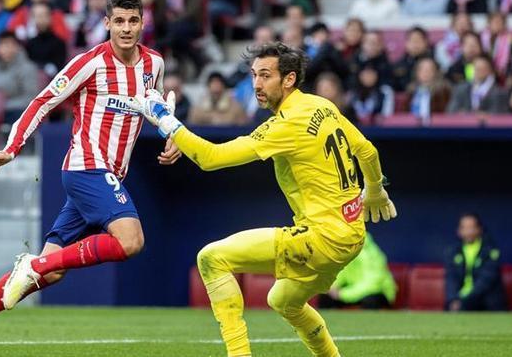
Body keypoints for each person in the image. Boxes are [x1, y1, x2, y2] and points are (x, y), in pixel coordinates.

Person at [0, 0, 179, 357]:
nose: (126, 29)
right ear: (107, 23)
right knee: (131, 240)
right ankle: (34, 264)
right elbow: (43, 101)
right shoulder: (90, 63)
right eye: (119, 21)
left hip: (110, 174)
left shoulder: (154, 64)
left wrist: (171, 133)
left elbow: (154, 105)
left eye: (133, 21)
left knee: (49, 274)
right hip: (86, 167)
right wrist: (12, 147)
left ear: (143, 23)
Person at [131, 41, 396, 357]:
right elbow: (367, 150)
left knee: (211, 259)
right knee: (283, 300)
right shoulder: (321, 106)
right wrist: (376, 189)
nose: (256, 83)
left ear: (289, 80)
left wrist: (165, 120)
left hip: (321, 239)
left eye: (266, 75)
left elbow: (211, 158)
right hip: (352, 236)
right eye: (254, 75)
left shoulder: (287, 124)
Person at [445, 213, 506, 311]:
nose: (468, 232)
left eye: (472, 228)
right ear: (459, 231)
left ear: (479, 229)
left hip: (485, 303)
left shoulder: (490, 250)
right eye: (464, 228)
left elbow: (485, 281)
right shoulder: (453, 252)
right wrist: (453, 299)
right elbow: (451, 279)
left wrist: (463, 300)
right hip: (461, 302)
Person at [322, 232, 396, 309]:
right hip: (352, 290)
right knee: (326, 297)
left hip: (378, 292)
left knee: (370, 300)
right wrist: (332, 287)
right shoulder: (344, 251)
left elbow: (372, 285)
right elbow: (339, 273)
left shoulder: (369, 253)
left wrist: (342, 294)